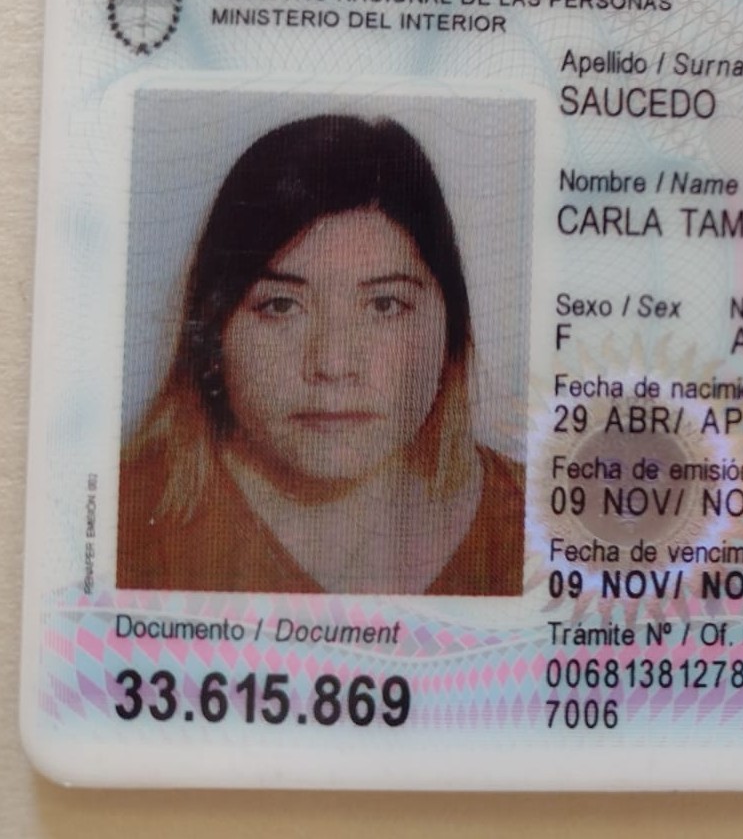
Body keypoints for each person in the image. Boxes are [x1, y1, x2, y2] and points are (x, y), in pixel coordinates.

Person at [117, 114, 524, 595]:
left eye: (384, 305)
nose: (332, 365)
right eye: (281, 306)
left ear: (450, 333)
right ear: (211, 335)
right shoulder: (123, 525)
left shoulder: (536, 523)